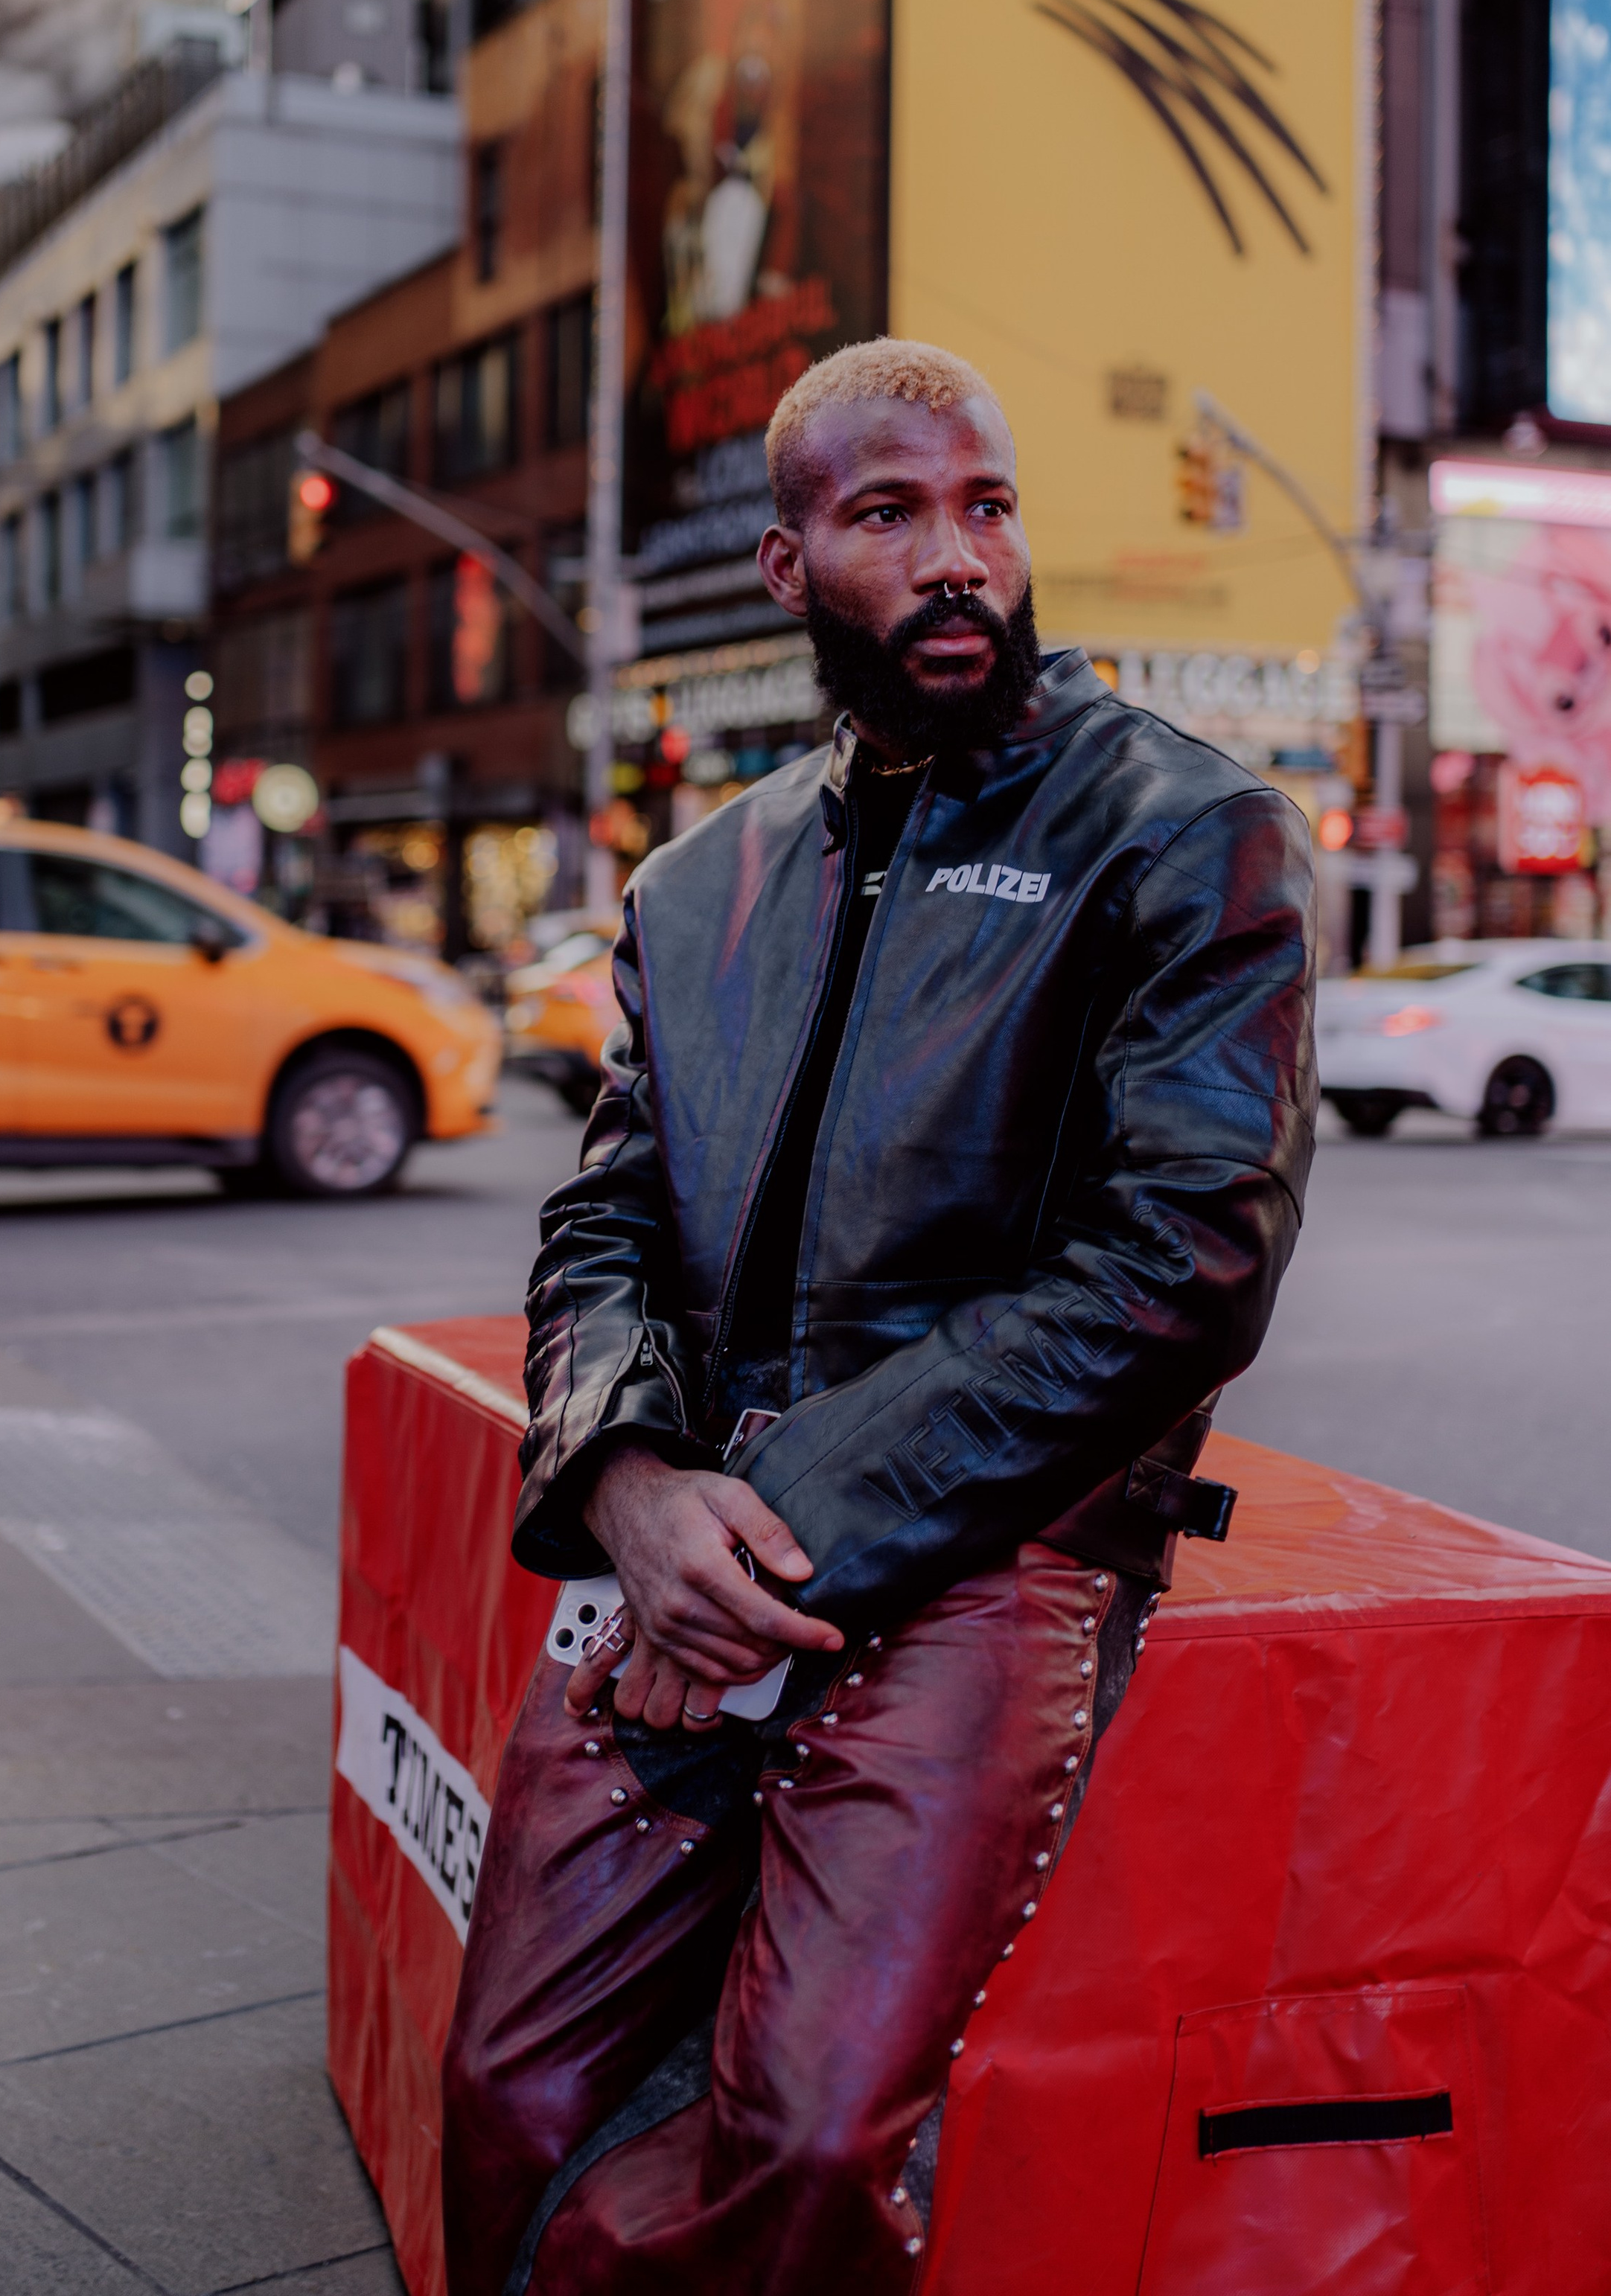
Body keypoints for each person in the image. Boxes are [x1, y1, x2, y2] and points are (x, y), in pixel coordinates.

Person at [441, 338, 1316, 2295]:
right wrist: (635, 1483)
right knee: (512, 2088)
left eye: (987, 507)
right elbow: (606, 1219)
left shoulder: (1183, 831)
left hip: (994, 1546)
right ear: (786, 567)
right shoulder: (697, 880)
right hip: (679, 1536)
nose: (954, 557)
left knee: (811, 2131)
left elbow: (1191, 1252)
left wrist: (768, 1526)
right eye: (888, 513)